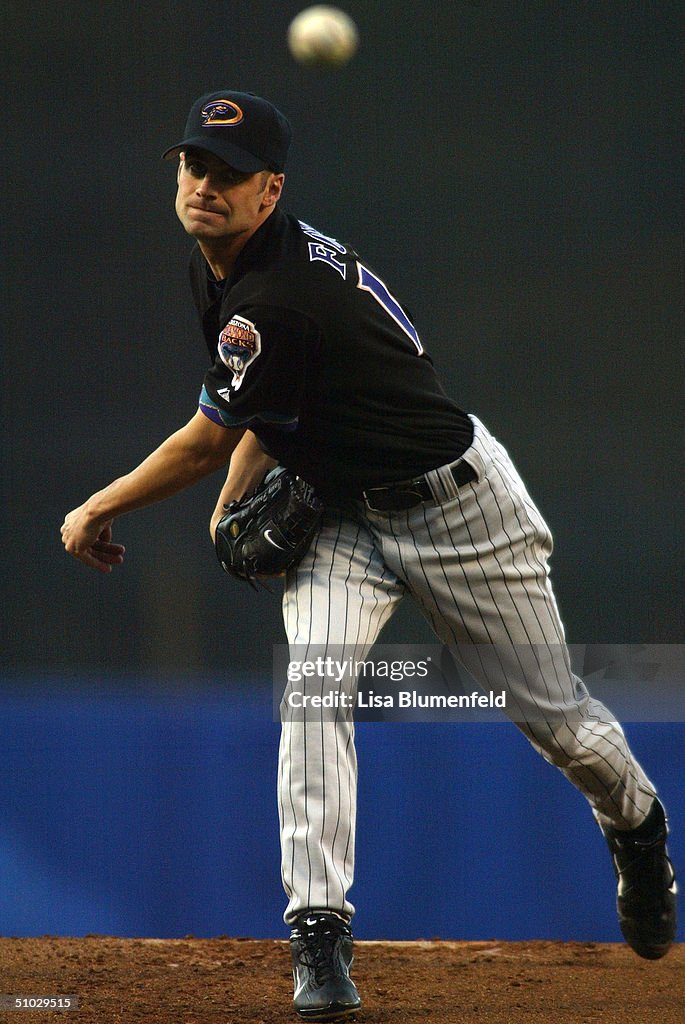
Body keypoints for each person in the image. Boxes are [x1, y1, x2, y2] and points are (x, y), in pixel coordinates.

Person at [61, 90, 677, 1021]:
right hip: (342, 511)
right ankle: (318, 933)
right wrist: (231, 505)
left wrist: (96, 508)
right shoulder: (220, 268)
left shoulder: (281, 292)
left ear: (270, 191)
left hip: (459, 510)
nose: (204, 186)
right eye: (194, 165)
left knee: (557, 722)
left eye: (229, 176)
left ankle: (634, 820)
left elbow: (204, 438)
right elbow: (263, 415)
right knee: (313, 689)